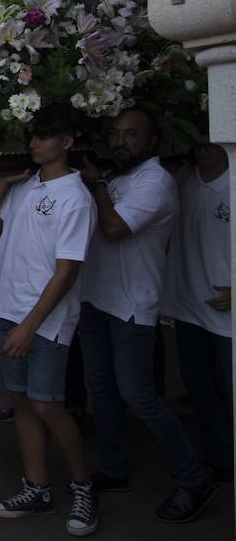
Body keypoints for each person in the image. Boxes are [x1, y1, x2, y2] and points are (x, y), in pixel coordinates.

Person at [78, 108, 214, 522]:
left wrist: (97, 182)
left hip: (132, 306)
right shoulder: (120, 179)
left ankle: (194, 480)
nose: (121, 141)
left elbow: (115, 228)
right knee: (101, 391)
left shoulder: (154, 181)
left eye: (132, 134)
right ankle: (116, 468)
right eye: (116, 133)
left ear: (152, 141)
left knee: (140, 395)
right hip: (97, 300)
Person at [0, 104, 98, 535]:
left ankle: (84, 487)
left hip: (43, 319)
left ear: (66, 142)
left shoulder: (76, 196)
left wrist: (30, 325)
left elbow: (67, 270)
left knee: (48, 404)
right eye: (33, 135)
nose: (34, 142)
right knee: (24, 403)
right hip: (8, 307)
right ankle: (38, 488)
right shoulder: (24, 187)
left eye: (43, 136)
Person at [162, 139, 233, 480]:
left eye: (213, 142)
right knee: (200, 387)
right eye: (199, 141)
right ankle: (220, 459)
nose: (206, 147)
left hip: (227, 313)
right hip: (188, 305)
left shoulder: (232, 182)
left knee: (229, 388)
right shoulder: (181, 179)